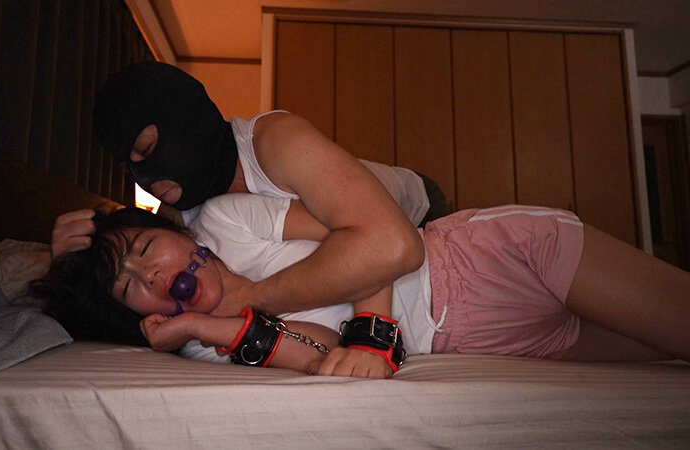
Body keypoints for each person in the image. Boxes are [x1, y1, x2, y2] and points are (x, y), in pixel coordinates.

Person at [34, 194, 690, 379]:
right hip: (477, 338)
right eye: (130, 288)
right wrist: (211, 326)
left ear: (179, 233)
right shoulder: (206, 343)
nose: (150, 276)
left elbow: (368, 230)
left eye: (144, 251)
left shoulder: (228, 220)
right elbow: (321, 352)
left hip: (489, 260)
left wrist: (375, 334)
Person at [52, 61, 449, 321]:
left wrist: (254, 297)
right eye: (130, 166)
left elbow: (394, 247)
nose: (147, 177)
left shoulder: (278, 143)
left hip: (421, 206)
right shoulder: (179, 224)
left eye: (149, 148)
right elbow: (130, 302)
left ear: (184, 119)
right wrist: (69, 273)